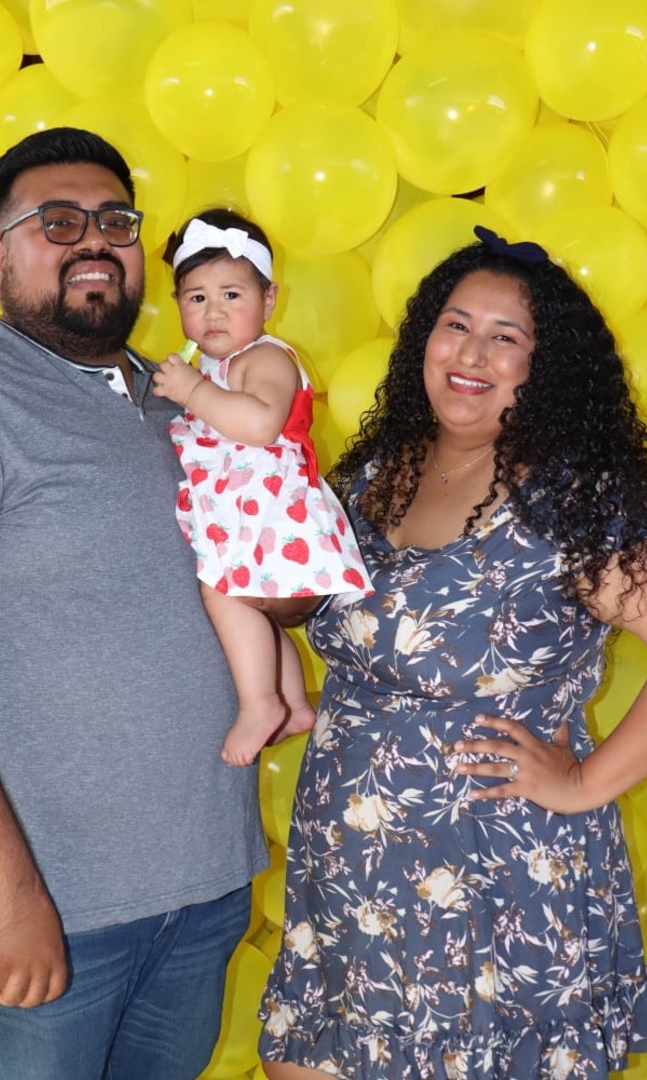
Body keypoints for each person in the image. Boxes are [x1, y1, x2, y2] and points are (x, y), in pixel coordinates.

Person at [256, 226, 647, 1078]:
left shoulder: (575, 499)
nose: (471, 354)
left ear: (544, 367)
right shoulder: (375, 473)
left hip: (493, 882)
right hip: (350, 874)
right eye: (456, 325)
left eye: (505, 337)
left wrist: (585, 782)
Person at [0, 127, 268, 1080]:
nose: (94, 241)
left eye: (116, 221)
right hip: (49, 914)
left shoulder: (183, 401)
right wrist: (6, 887)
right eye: (58, 222)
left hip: (202, 892)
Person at [152, 209, 371, 766]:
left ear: (269, 299)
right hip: (249, 514)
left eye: (231, 295)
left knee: (224, 592)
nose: (214, 312)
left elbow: (259, 424)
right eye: (197, 297)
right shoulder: (218, 365)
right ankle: (293, 704)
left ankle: (260, 703)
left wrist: (192, 391)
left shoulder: (267, 356)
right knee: (257, 613)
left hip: (275, 514)